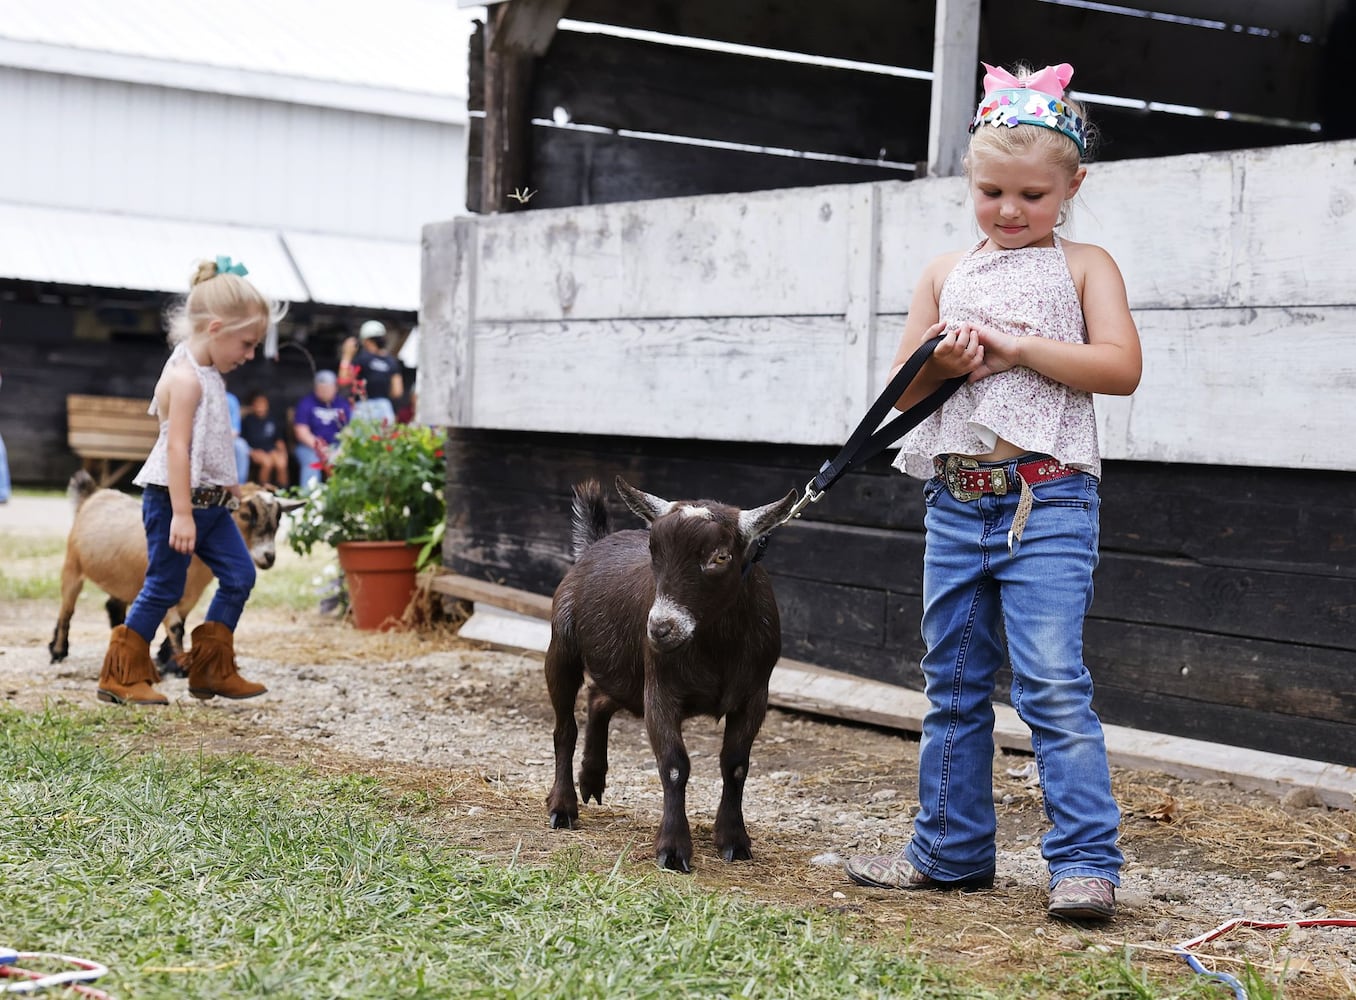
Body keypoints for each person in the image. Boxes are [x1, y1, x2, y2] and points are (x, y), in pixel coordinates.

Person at [842, 62, 1142, 923]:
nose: (1010, 211)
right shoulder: (944, 273)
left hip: (1044, 501)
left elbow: (1119, 369)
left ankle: (1086, 862)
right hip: (956, 500)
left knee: (1050, 681)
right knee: (954, 678)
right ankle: (950, 851)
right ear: (968, 184)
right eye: (992, 193)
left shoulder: (1085, 266)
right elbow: (902, 393)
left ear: (1071, 187)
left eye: (1032, 195)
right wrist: (938, 361)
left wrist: (1017, 348)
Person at [98, 255, 284, 705]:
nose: (250, 354)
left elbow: (214, 440)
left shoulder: (211, 374)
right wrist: (181, 513)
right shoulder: (185, 378)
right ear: (216, 328)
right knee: (164, 585)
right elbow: (178, 448)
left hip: (214, 506)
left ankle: (211, 670)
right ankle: (120, 675)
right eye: (247, 343)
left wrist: (233, 486)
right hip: (174, 503)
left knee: (240, 577)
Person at [292, 369, 352, 492]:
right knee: (312, 462)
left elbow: (349, 430)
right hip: (310, 447)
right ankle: (308, 500)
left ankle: (343, 498)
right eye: (321, 388)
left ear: (335, 387)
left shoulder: (343, 404)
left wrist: (341, 450)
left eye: (327, 388)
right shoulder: (306, 403)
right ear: (315, 387)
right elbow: (301, 432)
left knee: (348, 461)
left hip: (337, 446)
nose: (324, 391)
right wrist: (321, 448)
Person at [338, 319, 403, 423]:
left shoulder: (361, 359)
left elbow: (343, 380)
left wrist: (347, 355)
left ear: (366, 341)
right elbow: (397, 392)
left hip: (363, 408)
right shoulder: (391, 362)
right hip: (384, 408)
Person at [240, 390, 290, 488]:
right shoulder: (248, 420)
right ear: (252, 406)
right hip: (255, 450)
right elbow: (243, 441)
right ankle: (264, 490)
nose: (260, 407)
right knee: (267, 463)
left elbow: (278, 439)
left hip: (271, 449)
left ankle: (283, 490)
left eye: (263, 403)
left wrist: (284, 453)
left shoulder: (272, 419)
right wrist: (251, 451)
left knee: (281, 463)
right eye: (257, 404)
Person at [226, 389, 250, 485]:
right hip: (204, 438)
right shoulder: (202, 396)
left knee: (241, 446)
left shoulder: (231, 399)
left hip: (228, 438)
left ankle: (240, 484)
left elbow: (235, 429)